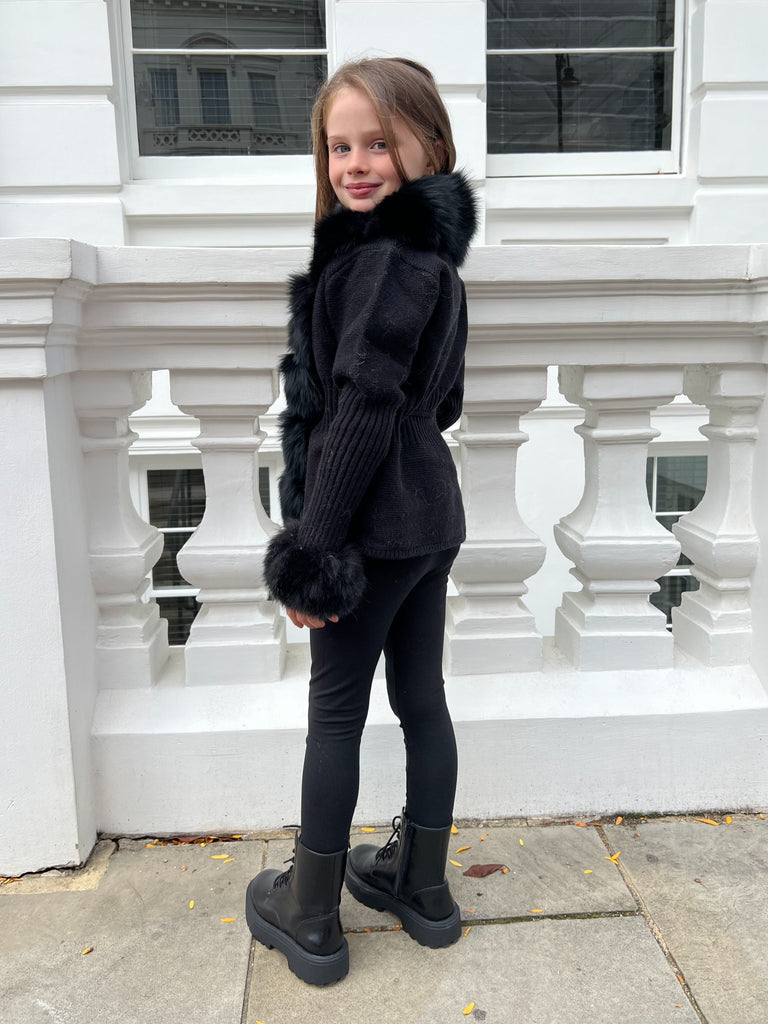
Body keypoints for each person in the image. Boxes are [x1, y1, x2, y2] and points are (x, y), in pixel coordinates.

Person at [244, 56, 477, 987]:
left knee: (335, 714)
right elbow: (443, 401)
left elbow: (361, 408)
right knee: (421, 698)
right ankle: (423, 888)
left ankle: (310, 914)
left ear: (431, 148)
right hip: (432, 517)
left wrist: (316, 544)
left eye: (379, 143)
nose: (355, 163)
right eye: (339, 147)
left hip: (370, 530)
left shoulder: (378, 263)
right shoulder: (434, 263)